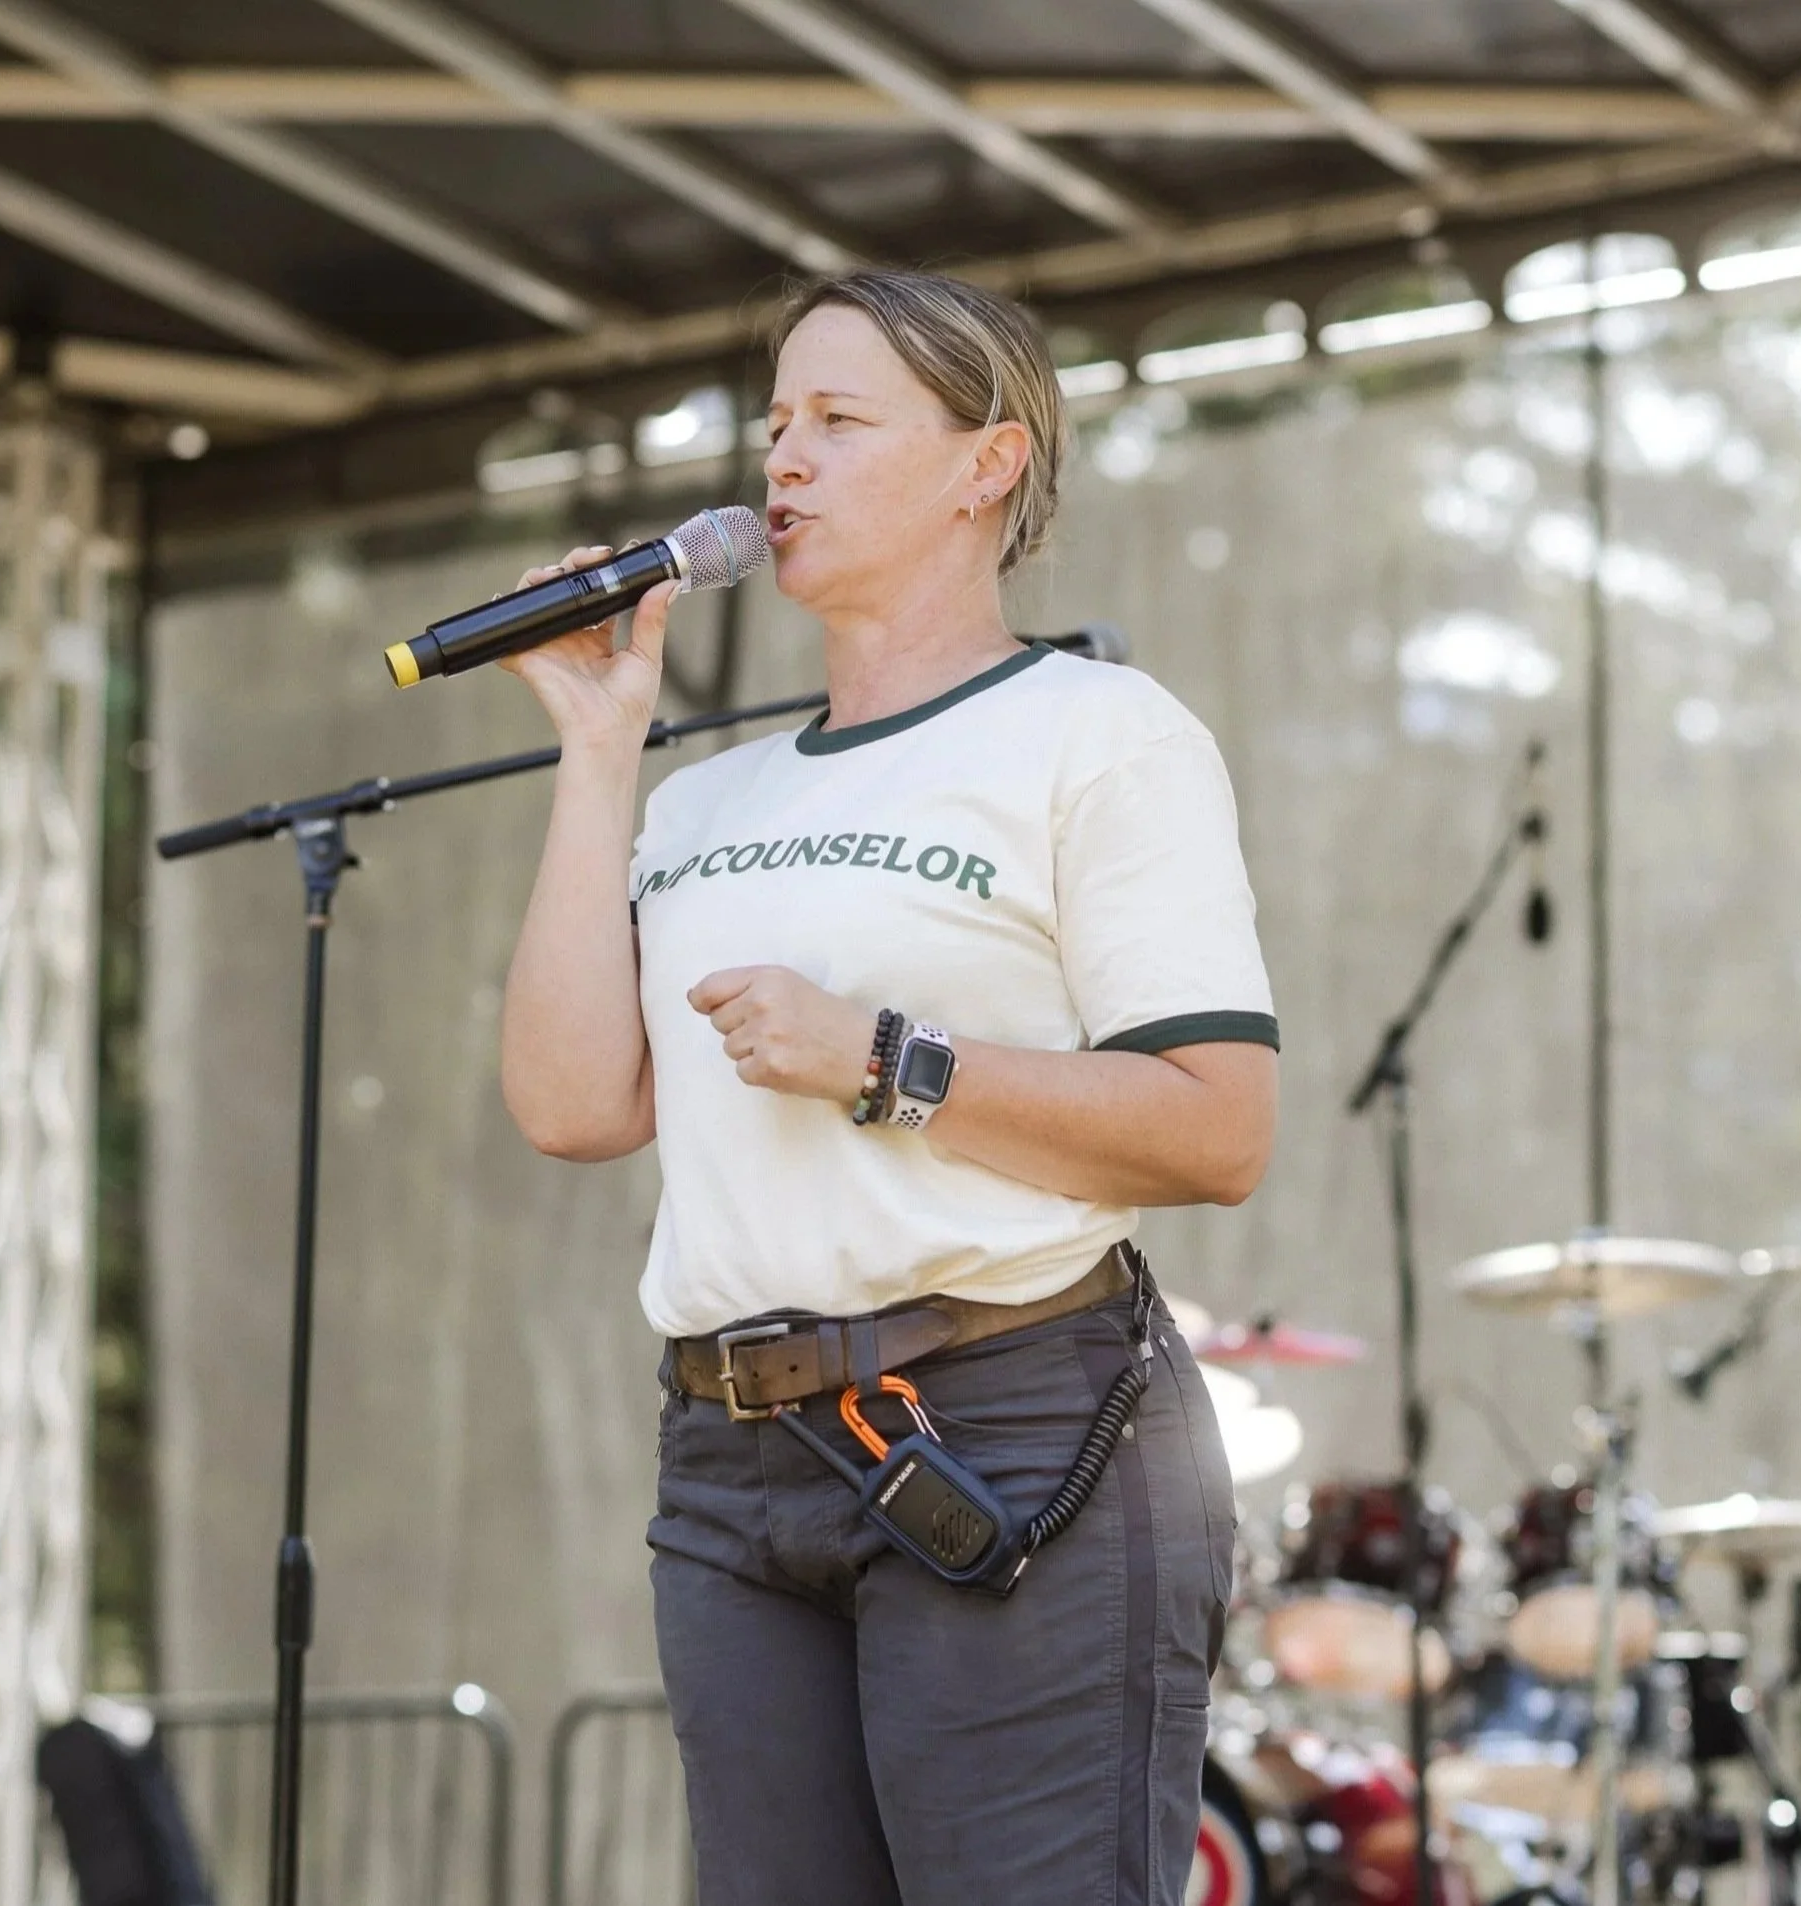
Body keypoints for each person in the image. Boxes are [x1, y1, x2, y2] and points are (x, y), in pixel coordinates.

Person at [498, 266, 1278, 1906]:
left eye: (841, 423)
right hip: (729, 1460)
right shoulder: (708, 797)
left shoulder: (1094, 733)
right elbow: (570, 1105)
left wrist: (886, 1059)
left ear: (984, 465)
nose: (782, 461)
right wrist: (595, 745)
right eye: (775, 424)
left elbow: (1216, 1124)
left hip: (1009, 1424)